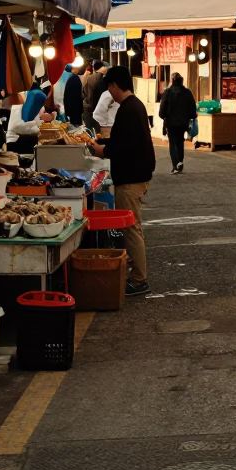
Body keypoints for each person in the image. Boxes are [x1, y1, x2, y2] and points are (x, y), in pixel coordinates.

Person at [88, 66, 155, 297]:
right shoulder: (134, 105)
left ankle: (139, 279)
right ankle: (136, 271)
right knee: (133, 226)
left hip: (131, 178)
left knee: (130, 227)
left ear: (115, 85)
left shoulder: (128, 109)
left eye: (109, 86)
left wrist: (101, 150)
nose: (109, 91)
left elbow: (122, 147)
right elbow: (125, 141)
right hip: (136, 175)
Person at [158, 72, 197, 174]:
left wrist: (164, 117)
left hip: (171, 123)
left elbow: (162, 110)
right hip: (183, 123)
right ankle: (180, 161)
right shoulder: (187, 92)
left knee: (172, 143)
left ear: (173, 81)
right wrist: (190, 117)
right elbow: (193, 109)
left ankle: (175, 165)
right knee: (180, 141)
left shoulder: (168, 92)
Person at [82, 60, 108, 131]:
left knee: (89, 129)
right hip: (96, 107)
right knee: (97, 130)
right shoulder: (101, 79)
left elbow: (83, 91)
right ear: (102, 68)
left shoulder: (88, 77)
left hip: (87, 106)